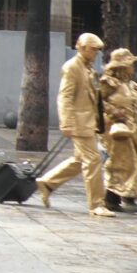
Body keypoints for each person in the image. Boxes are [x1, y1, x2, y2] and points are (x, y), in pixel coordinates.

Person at [36, 32, 114, 218]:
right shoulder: (72, 67)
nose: (96, 53)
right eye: (93, 50)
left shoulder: (88, 68)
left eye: (97, 50)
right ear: (82, 48)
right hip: (79, 122)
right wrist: (66, 122)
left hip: (88, 122)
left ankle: (47, 183)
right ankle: (96, 204)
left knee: (80, 160)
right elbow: (65, 96)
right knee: (93, 160)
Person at [100, 48, 137, 213]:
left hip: (133, 127)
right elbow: (98, 102)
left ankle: (128, 196)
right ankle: (112, 198)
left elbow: (133, 102)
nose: (132, 68)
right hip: (116, 128)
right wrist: (114, 112)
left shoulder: (130, 84)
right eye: (130, 64)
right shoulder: (109, 82)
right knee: (122, 163)